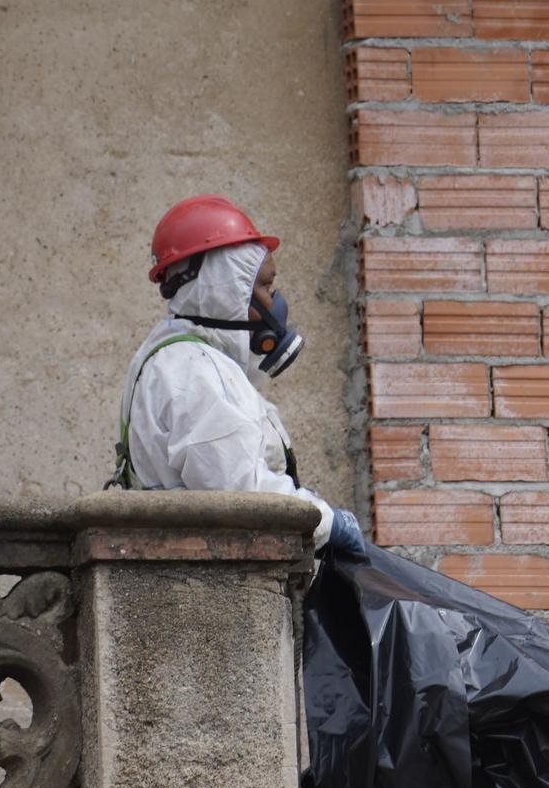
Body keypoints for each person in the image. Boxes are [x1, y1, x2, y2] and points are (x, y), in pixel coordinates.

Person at [114, 194, 363, 556]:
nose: (274, 302)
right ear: (225, 289)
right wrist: (325, 521)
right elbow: (242, 495)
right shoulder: (194, 370)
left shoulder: (178, 357)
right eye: (264, 286)